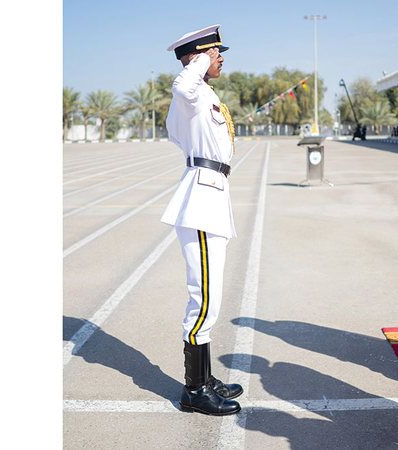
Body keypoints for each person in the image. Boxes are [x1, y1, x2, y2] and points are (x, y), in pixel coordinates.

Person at [161, 24, 243, 416]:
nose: (221, 58)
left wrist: (200, 66)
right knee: (204, 296)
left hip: (211, 192)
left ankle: (205, 378)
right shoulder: (189, 92)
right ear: (196, 58)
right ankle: (194, 390)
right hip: (201, 199)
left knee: (210, 293)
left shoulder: (203, 95)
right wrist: (197, 63)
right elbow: (182, 87)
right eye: (214, 53)